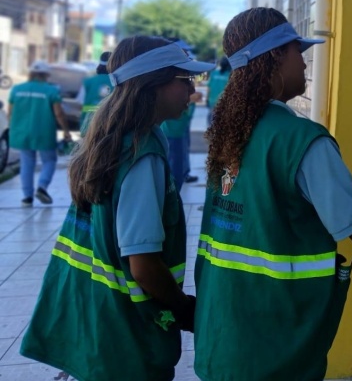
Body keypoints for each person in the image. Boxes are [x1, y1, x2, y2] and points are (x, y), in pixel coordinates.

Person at [194, 8, 352, 380]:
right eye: (298, 50)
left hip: (223, 335)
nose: (305, 61)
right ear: (274, 57)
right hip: (275, 344)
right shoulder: (303, 141)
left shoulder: (232, 132)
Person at [20, 36, 214, 381]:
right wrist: (184, 309)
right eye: (185, 80)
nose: (192, 91)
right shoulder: (142, 155)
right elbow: (143, 265)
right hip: (125, 336)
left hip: (95, 319)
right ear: (153, 84)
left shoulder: (117, 137)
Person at [7, 60, 71, 206]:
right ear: (46, 75)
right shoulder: (50, 91)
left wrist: (13, 127)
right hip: (44, 133)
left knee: (27, 164)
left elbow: (10, 112)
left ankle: (27, 197)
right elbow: (59, 113)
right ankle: (42, 186)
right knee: (49, 161)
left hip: (22, 133)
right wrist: (66, 131)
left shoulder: (17, 89)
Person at [76, 51, 113, 136]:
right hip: (109, 129)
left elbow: (80, 104)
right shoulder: (118, 82)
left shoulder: (88, 81)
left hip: (87, 127)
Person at [205, 56, 231, 127]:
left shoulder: (213, 73)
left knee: (211, 117)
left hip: (212, 100)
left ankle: (210, 131)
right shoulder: (229, 75)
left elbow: (209, 88)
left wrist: (207, 99)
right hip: (223, 101)